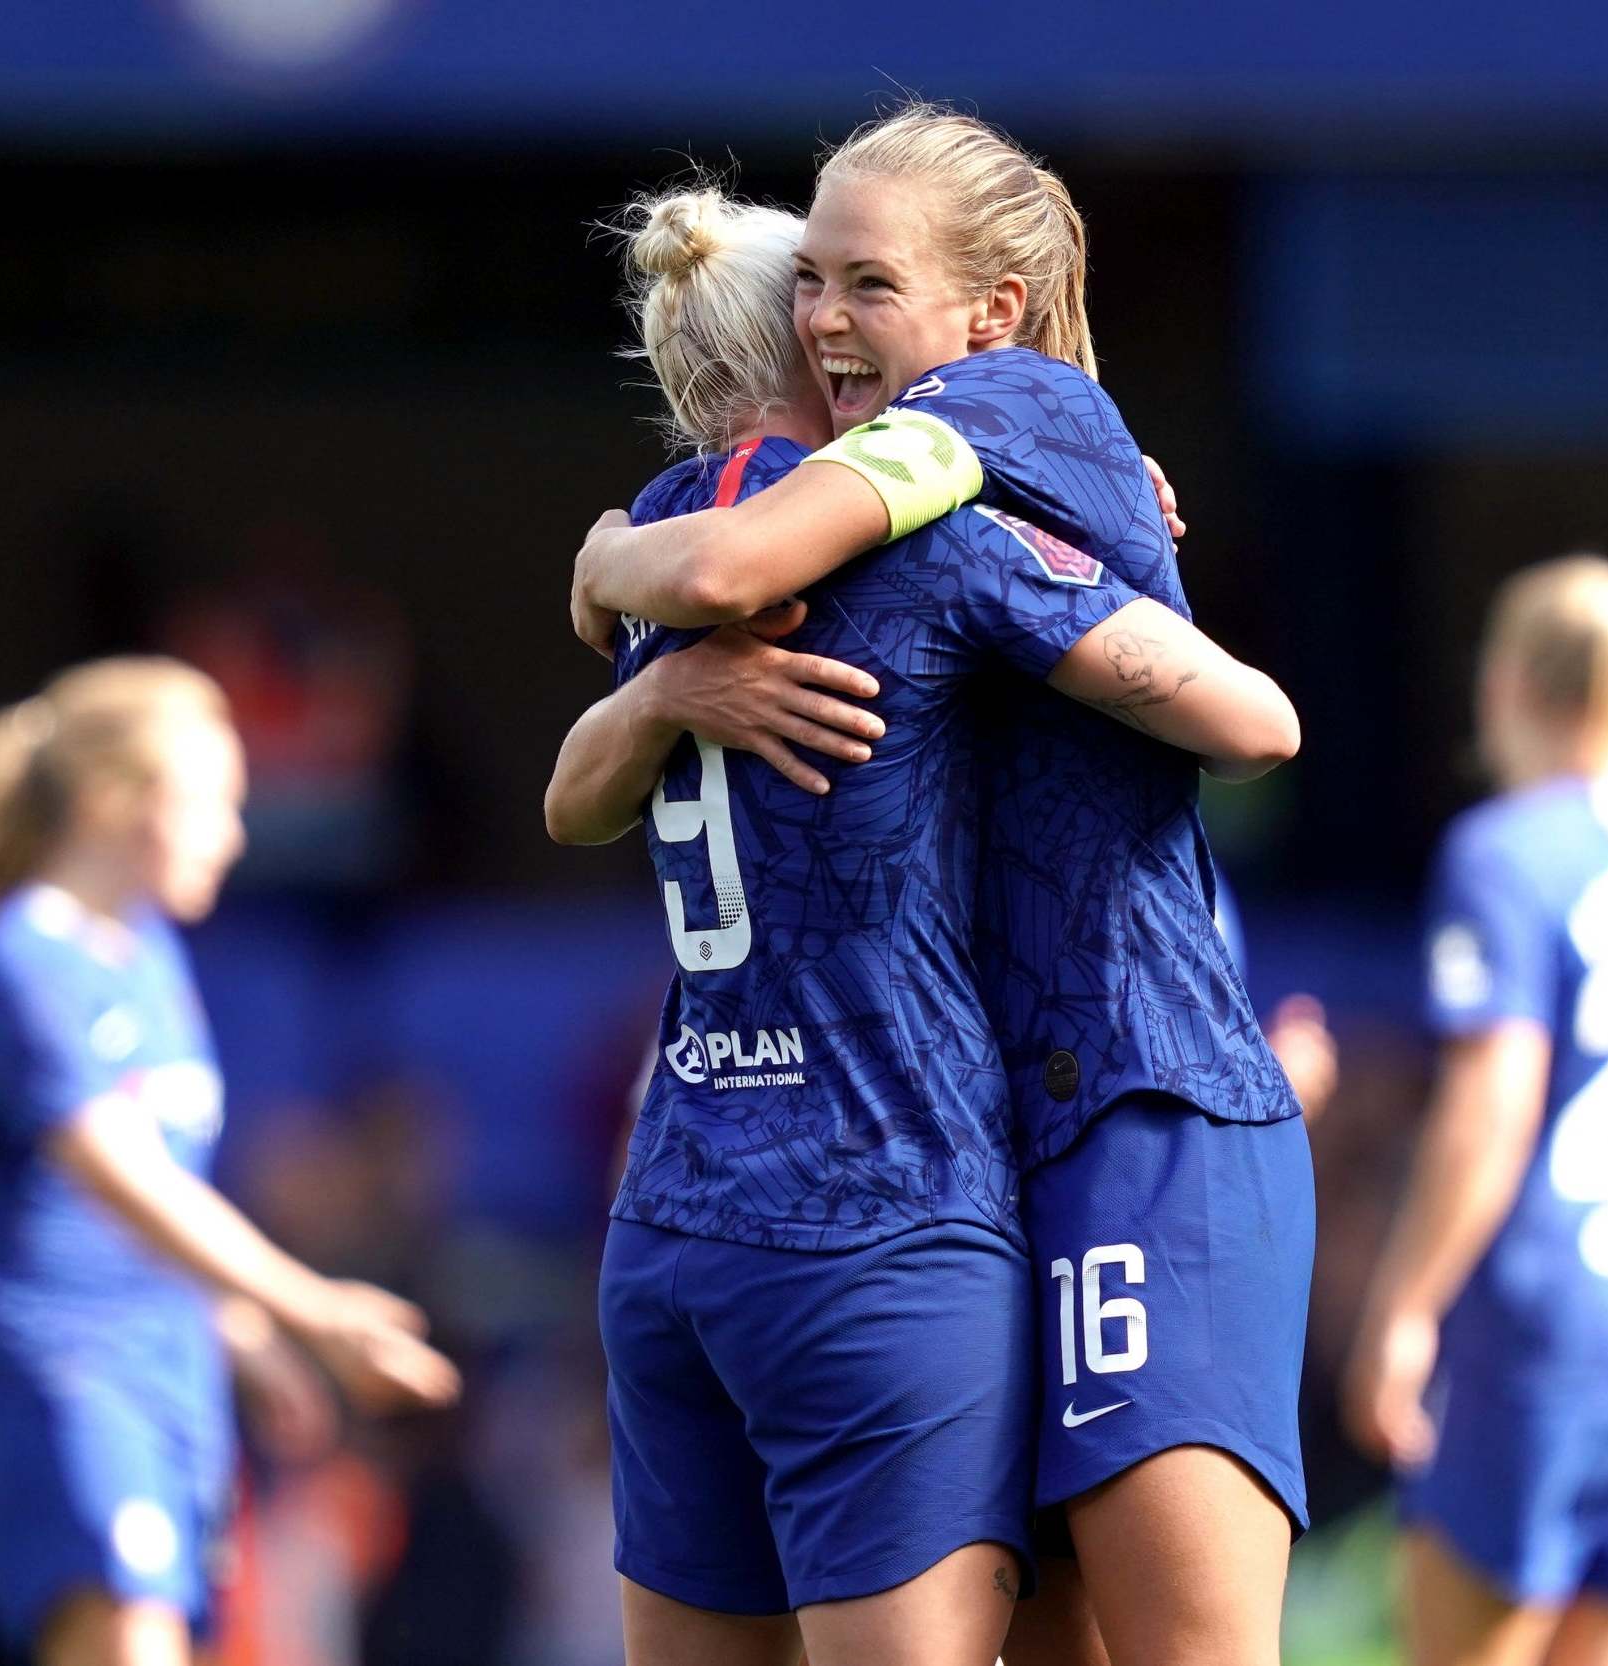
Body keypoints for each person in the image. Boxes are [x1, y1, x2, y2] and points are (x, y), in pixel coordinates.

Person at [568, 107, 1315, 1666]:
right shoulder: (912, 500)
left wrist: (604, 567)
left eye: (867, 283)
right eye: (813, 288)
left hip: (1137, 1105)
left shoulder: (970, 432)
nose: (832, 321)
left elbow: (1261, 722)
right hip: (974, 1139)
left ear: (996, 319)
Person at [0, 658, 460, 1666]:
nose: (235, 835)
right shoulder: (24, 957)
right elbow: (121, 1174)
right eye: (214, 802)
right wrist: (311, 1304)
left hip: (169, 1363)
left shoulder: (151, 954)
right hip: (61, 1357)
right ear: (116, 801)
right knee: (129, 1641)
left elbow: (172, 1180)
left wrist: (240, 1329)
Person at [1343, 557, 1608, 1666]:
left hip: (1551, 1323)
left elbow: (1492, 1105)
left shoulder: (1505, 853)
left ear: (1507, 681)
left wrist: (1402, 1309)